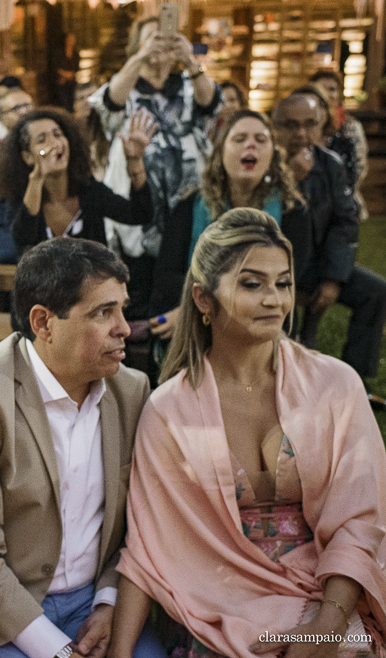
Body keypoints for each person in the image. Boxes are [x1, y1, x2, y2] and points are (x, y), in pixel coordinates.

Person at [109, 208, 386, 658]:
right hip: (218, 608)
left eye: (284, 283)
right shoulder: (169, 411)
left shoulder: (337, 385)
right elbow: (148, 551)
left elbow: (361, 520)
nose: (274, 300)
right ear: (203, 299)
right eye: (252, 283)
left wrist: (326, 626)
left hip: (330, 597)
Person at [0, 238, 168, 658]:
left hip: (91, 600)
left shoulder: (131, 390)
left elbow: (140, 523)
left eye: (122, 307)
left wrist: (107, 603)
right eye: (104, 312)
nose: (123, 327)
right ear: (44, 323)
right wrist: (57, 650)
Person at [148, 109, 303, 337]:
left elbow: (288, 281)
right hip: (195, 304)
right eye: (239, 139)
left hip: (266, 313)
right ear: (220, 153)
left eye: (261, 140)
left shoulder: (293, 211)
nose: (250, 145)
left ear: (273, 155)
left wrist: (209, 308)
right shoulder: (189, 206)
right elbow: (167, 275)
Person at [272, 93, 386, 381]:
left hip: (319, 265)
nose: (301, 133)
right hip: (275, 271)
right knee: (294, 339)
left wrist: (333, 277)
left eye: (309, 124)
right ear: (275, 127)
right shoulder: (265, 163)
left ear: (322, 125)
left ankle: (357, 380)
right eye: (291, 125)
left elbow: (345, 221)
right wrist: (290, 180)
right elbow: (265, 224)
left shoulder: (331, 165)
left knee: (375, 293)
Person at [89, 15, 222, 259]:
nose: (160, 43)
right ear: (137, 46)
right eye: (152, 37)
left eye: (166, 37)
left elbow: (211, 103)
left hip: (188, 194)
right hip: (139, 199)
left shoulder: (189, 83)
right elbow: (110, 103)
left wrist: (190, 61)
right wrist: (140, 58)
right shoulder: (126, 84)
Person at [0, 106, 155, 254]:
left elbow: (139, 213)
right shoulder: (22, 199)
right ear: (27, 157)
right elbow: (23, 237)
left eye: (58, 134)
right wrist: (37, 178)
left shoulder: (89, 190)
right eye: (42, 139)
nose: (54, 143)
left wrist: (134, 161)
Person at [0, 88, 36, 265]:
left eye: (27, 105)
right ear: (2, 118)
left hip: (46, 220)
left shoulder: (49, 149)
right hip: (7, 224)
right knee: (10, 255)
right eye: (16, 108)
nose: (24, 111)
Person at [310, 70, 369, 219]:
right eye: (322, 88)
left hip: (343, 201)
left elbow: (358, 167)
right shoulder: (304, 128)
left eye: (332, 89)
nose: (328, 94)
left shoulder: (350, 127)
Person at [50, 34, 81, 112]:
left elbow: (76, 68)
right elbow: (55, 67)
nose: (71, 42)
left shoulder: (75, 54)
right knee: (63, 104)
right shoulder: (59, 53)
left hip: (71, 82)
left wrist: (70, 75)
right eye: (69, 39)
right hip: (61, 81)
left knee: (71, 104)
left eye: (72, 40)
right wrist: (64, 74)